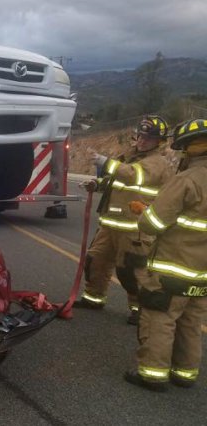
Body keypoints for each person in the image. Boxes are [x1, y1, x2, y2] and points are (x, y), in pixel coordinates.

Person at [124, 118, 207, 391]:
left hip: (172, 267)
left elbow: (154, 224)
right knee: (191, 323)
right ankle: (185, 373)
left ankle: (153, 374)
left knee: (160, 319)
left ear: (190, 149)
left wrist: (144, 211)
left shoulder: (186, 180)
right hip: (202, 273)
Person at [74, 115, 174, 325]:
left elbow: (132, 176)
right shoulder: (130, 157)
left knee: (132, 270)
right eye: (142, 135)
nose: (143, 140)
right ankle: (94, 297)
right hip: (110, 224)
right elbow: (117, 180)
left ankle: (140, 310)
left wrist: (105, 162)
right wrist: (98, 184)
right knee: (96, 261)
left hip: (134, 229)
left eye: (150, 138)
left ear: (160, 142)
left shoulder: (157, 163)